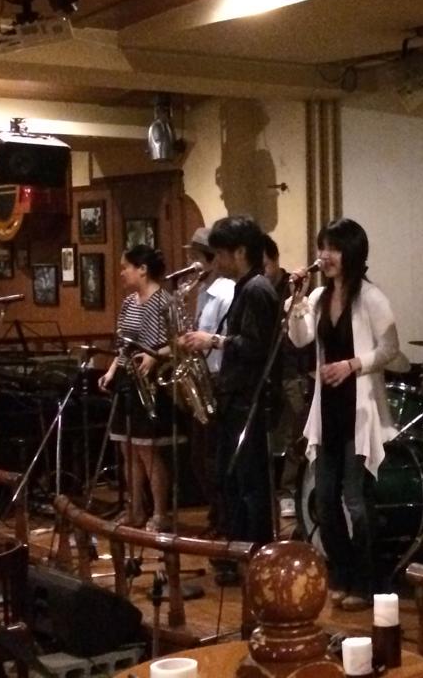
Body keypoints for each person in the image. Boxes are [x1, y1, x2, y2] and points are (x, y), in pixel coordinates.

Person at [286, 217, 408, 611]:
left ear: (351, 253)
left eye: (334, 248)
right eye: (322, 247)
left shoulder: (370, 297)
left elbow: (390, 349)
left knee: (356, 500)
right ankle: (341, 572)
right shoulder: (320, 296)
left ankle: (368, 581)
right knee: (324, 499)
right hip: (328, 409)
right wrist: (298, 299)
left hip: (359, 409)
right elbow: (299, 338)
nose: (325, 255)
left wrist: (352, 365)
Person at [180, 216, 280, 583]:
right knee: (233, 480)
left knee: (249, 485)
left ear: (239, 252)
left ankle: (253, 557)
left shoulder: (256, 290)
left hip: (248, 400)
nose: (217, 261)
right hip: (235, 398)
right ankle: (239, 553)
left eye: (221, 253)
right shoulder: (246, 287)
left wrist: (214, 341)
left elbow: (257, 346)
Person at [98, 245, 182, 532]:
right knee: (128, 449)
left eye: (126, 267)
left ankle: (160, 513)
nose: (122, 272)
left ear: (142, 269)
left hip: (152, 380)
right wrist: (112, 371)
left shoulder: (166, 302)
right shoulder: (128, 303)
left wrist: (155, 355)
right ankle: (134, 508)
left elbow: (179, 341)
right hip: (128, 377)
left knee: (148, 451)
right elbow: (123, 345)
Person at [183, 227, 235, 534]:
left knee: (212, 457)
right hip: (204, 379)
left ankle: (224, 517)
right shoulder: (203, 291)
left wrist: (205, 341)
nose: (191, 265)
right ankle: (217, 514)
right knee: (199, 458)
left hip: (219, 381)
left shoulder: (226, 293)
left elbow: (231, 340)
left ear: (212, 259)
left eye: (195, 258)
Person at [262, 234, 314, 516]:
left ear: (275, 260)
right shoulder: (258, 290)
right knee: (272, 435)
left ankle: (289, 491)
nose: (262, 272)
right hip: (269, 373)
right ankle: (271, 490)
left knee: (297, 433)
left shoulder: (292, 287)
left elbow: (302, 336)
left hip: (294, 371)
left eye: (265, 265)